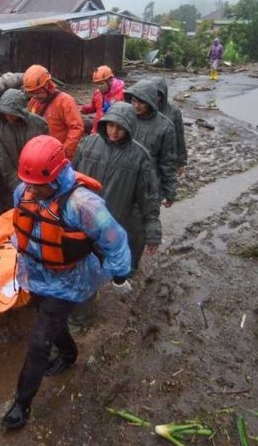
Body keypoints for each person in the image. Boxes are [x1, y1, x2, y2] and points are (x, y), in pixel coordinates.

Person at [1, 135, 132, 431]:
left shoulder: (83, 204)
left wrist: (120, 273)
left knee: (39, 341)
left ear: (58, 174)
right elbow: (23, 223)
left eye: (39, 184)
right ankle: (69, 354)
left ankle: (21, 404)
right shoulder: (24, 190)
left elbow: (114, 238)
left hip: (68, 279)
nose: (31, 189)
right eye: (29, 182)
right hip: (35, 272)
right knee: (48, 320)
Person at [70, 102, 162, 331]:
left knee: (99, 266)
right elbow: (71, 180)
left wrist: (152, 232)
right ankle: (79, 316)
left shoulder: (139, 157)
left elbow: (148, 197)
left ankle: (86, 312)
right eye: (110, 125)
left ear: (130, 128)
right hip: (81, 221)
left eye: (120, 128)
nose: (114, 131)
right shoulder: (88, 145)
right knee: (81, 267)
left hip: (111, 224)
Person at [124, 79, 177, 277]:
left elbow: (168, 163)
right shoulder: (126, 118)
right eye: (133, 101)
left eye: (141, 102)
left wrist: (170, 191)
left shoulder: (165, 127)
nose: (136, 105)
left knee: (138, 228)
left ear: (151, 102)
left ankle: (131, 266)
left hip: (147, 185)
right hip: (124, 179)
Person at [0, 88, 48, 213]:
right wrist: (21, 187)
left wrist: (34, 185)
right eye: (5, 113)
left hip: (36, 182)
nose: (8, 116)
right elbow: (3, 161)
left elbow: (45, 154)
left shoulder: (39, 125)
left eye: (12, 113)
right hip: (8, 187)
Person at [23, 64, 84, 158]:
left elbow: (77, 128)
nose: (35, 96)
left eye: (37, 93)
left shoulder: (65, 101)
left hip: (59, 155)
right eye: (32, 93)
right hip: (39, 155)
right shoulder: (33, 102)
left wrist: (64, 152)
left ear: (47, 86)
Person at [151, 77, 188, 176]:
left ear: (163, 95)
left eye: (158, 95)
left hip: (167, 155)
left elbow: (179, 137)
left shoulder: (174, 112)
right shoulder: (145, 109)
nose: (155, 98)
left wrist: (181, 162)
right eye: (152, 94)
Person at [80, 65, 125, 135]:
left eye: (101, 83)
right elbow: (92, 108)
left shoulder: (122, 95)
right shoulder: (98, 93)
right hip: (96, 131)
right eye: (97, 84)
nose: (99, 87)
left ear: (110, 81)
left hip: (111, 134)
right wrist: (81, 109)